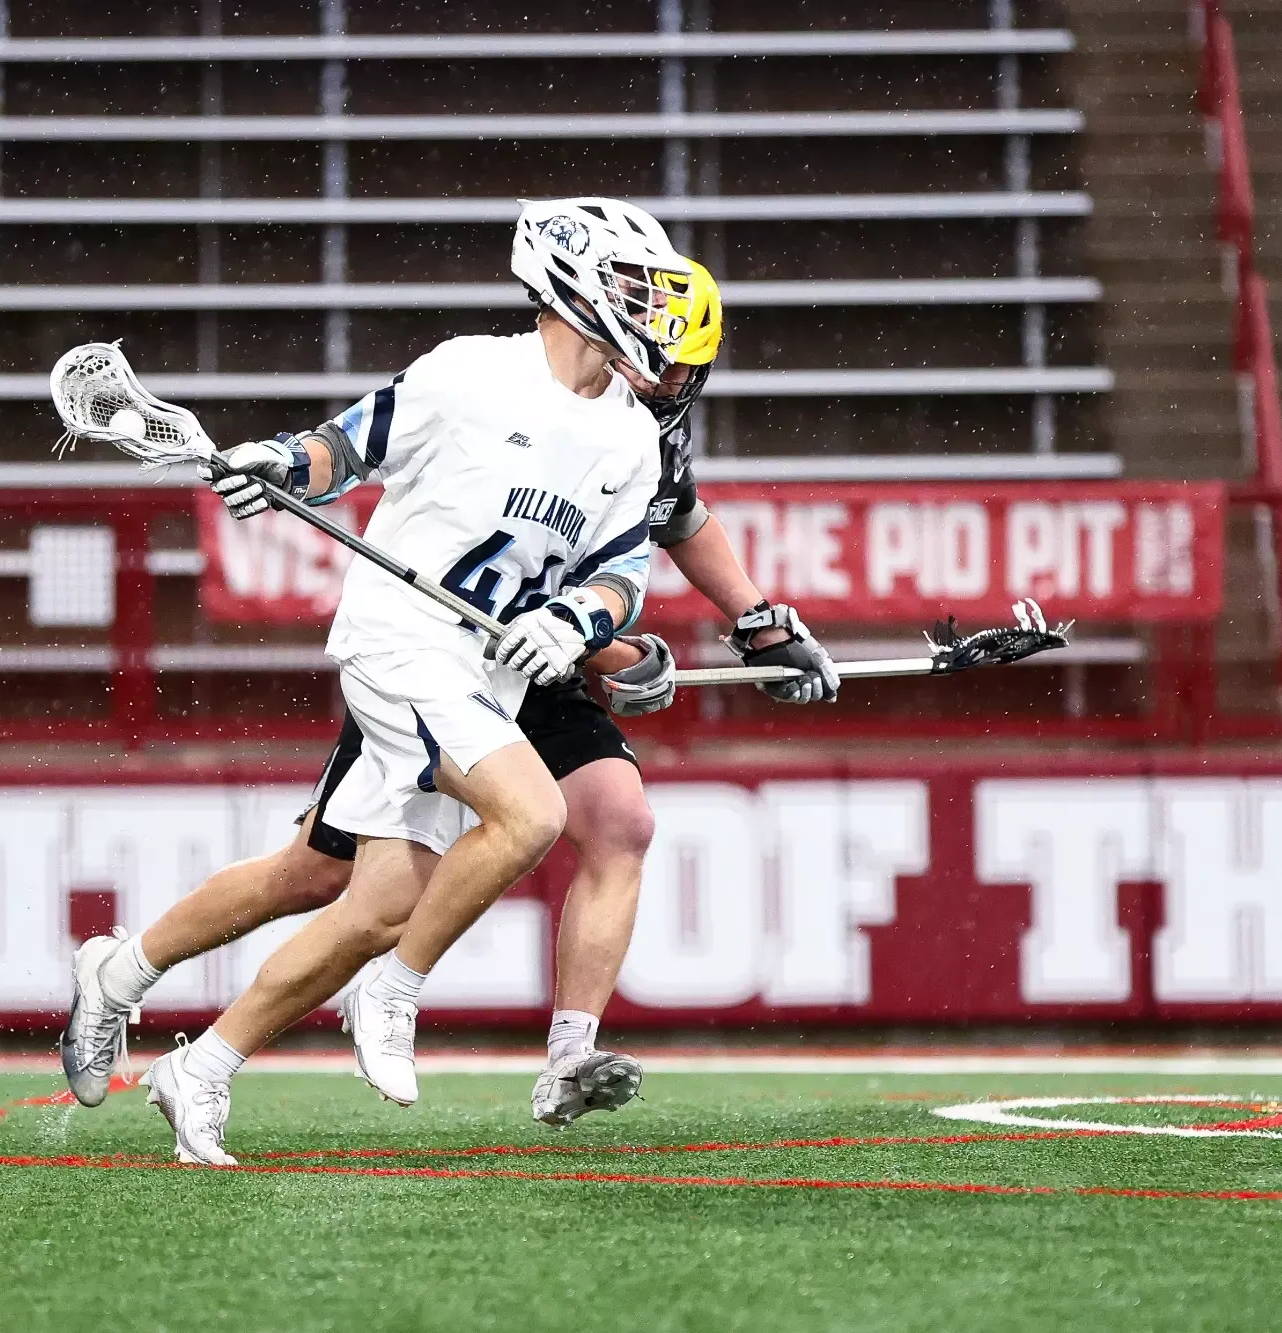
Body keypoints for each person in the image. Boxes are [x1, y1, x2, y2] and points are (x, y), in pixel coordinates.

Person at [60, 232, 841, 1157]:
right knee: (531, 815)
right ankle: (390, 993)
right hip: (405, 644)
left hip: (498, 673)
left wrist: (588, 629)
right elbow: (345, 447)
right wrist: (280, 463)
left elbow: (624, 570)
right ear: (574, 279)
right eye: (640, 289)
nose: (662, 321)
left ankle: (195, 1056)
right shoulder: (471, 374)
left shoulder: (636, 431)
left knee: (363, 895)